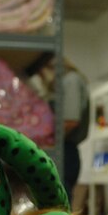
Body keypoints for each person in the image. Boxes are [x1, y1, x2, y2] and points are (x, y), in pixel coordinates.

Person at [29, 56, 89, 204]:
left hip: (64, 151)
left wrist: (47, 141)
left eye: (41, 75)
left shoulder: (70, 80)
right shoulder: (65, 83)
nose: (42, 80)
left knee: (59, 203)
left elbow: (70, 121)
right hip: (63, 149)